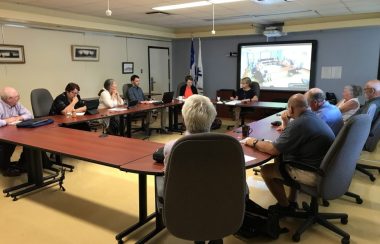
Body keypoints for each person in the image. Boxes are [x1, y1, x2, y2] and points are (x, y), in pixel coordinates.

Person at [244, 94, 335, 212]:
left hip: (313, 173)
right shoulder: (312, 116)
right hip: (325, 168)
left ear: (291, 109)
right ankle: (292, 200)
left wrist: (253, 142)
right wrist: (285, 122)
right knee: (282, 158)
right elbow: (290, 138)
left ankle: (284, 207)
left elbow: (273, 149)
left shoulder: (300, 123)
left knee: (266, 171)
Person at [0, 86, 33, 176]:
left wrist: (18, 118)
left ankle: (23, 165)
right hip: (3, 134)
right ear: (9, 99)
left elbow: (29, 115)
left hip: (13, 131)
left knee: (31, 140)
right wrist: (6, 121)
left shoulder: (16, 104)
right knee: (8, 143)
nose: (19, 98)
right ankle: (5, 168)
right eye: (17, 97)